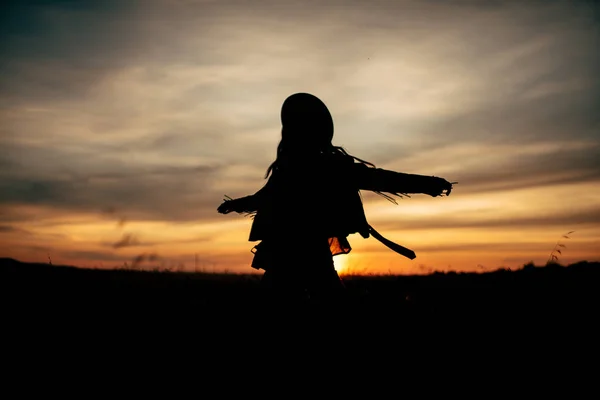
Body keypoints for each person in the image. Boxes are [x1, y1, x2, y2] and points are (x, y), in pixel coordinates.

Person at [217, 93, 454, 305]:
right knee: (309, 303)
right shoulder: (291, 168)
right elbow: (266, 197)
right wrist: (236, 204)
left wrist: (428, 184)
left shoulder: (326, 167)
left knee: (308, 303)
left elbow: (381, 179)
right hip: (292, 251)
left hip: (300, 250)